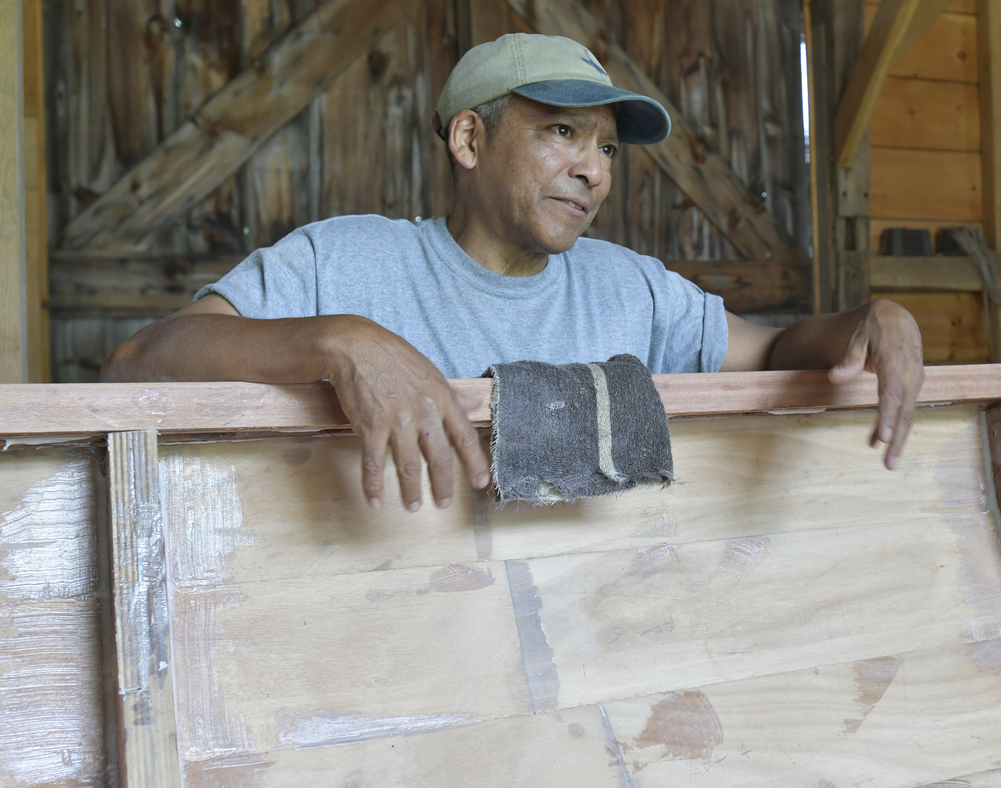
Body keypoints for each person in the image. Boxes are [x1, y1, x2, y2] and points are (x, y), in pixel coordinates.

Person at [104, 33, 924, 511]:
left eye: (606, 147)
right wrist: (342, 344)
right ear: (468, 142)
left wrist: (872, 322)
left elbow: (777, 354)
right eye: (561, 133)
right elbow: (138, 363)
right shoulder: (343, 261)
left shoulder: (631, 285)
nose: (594, 170)